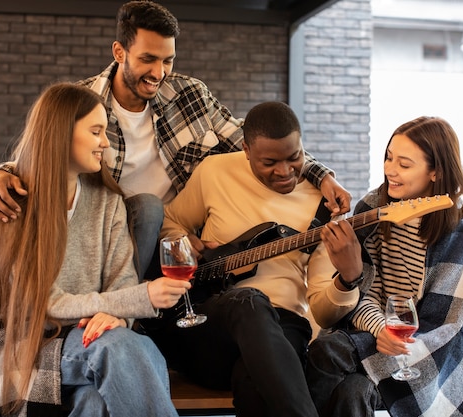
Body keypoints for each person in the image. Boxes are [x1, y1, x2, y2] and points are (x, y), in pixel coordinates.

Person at [0, 0, 351, 280]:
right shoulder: (83, 103)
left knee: (162, 214)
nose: (159, 73)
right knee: (147, 207)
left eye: (168, 60)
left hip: (175, 241)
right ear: (119, 52)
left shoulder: (189, 95)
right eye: (148, 59)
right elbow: (38, 151)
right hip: (108, 237)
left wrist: (320, 174)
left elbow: (252, 138)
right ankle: (129, 306)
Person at [0, 83, 189, 417]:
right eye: (96, 131)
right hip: (18, 347)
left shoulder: (109, 204)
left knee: (93, 400)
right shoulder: (12, 204)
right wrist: (143, 299)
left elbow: (121, 282)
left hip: (86, 339)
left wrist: (117, 314)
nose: (105, 142)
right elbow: (42, 302)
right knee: (121, 350)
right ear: (60, 133)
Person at [145, 101, 363, 417]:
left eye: (295, 157)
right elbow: (170, 222)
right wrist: (184, 242)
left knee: (255, 386)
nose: (285, 171)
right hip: (212, 327)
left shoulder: (322, 205)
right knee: (249, 301)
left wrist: (347, 278)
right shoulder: (215, 171)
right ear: (246, 149)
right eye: (270, 162)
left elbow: (324, 313)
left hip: (283, 329)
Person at [305, 116, 463, 417]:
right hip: (376, 332)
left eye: (404, 164)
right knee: (353, 391)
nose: (390, 170)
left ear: (436, 172)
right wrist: (376, 322)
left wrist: (391, 338)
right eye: (389, 158)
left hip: (433, 349)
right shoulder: (372, 209)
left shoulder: (461, 227)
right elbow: (365, 295)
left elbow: (446, 323)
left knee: (328, 351)